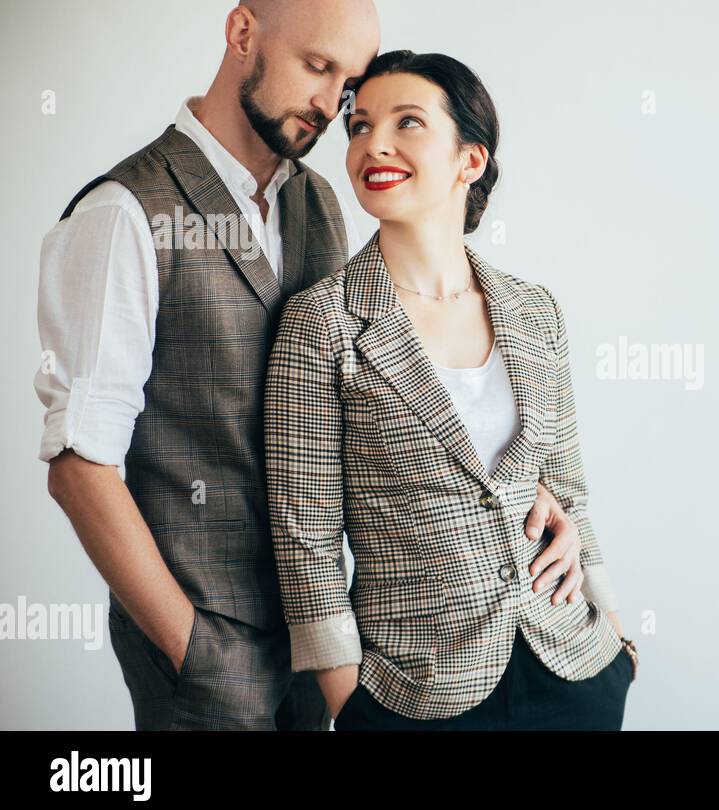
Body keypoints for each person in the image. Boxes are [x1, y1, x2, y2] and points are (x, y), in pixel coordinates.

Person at [35, 0, 580, 730]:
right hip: (204, 659)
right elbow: (80, 465)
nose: (332, 105)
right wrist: (191, 647)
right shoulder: (123, 212)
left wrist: (532, 494)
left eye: (348, 84)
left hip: (332, 645)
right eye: (317, 66)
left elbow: (389, 400)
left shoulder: (320, 201)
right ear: (241, 33)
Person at [264, 50, 638, 730]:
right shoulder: (321, 321)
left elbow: (568, 488)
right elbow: (306, 535)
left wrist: (614, 629)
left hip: (572, 667)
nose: (373, 143)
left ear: (470, 158)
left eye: (408, 123)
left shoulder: (534, 310)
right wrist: (347, 697)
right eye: (360, 124)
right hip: (418, 692)